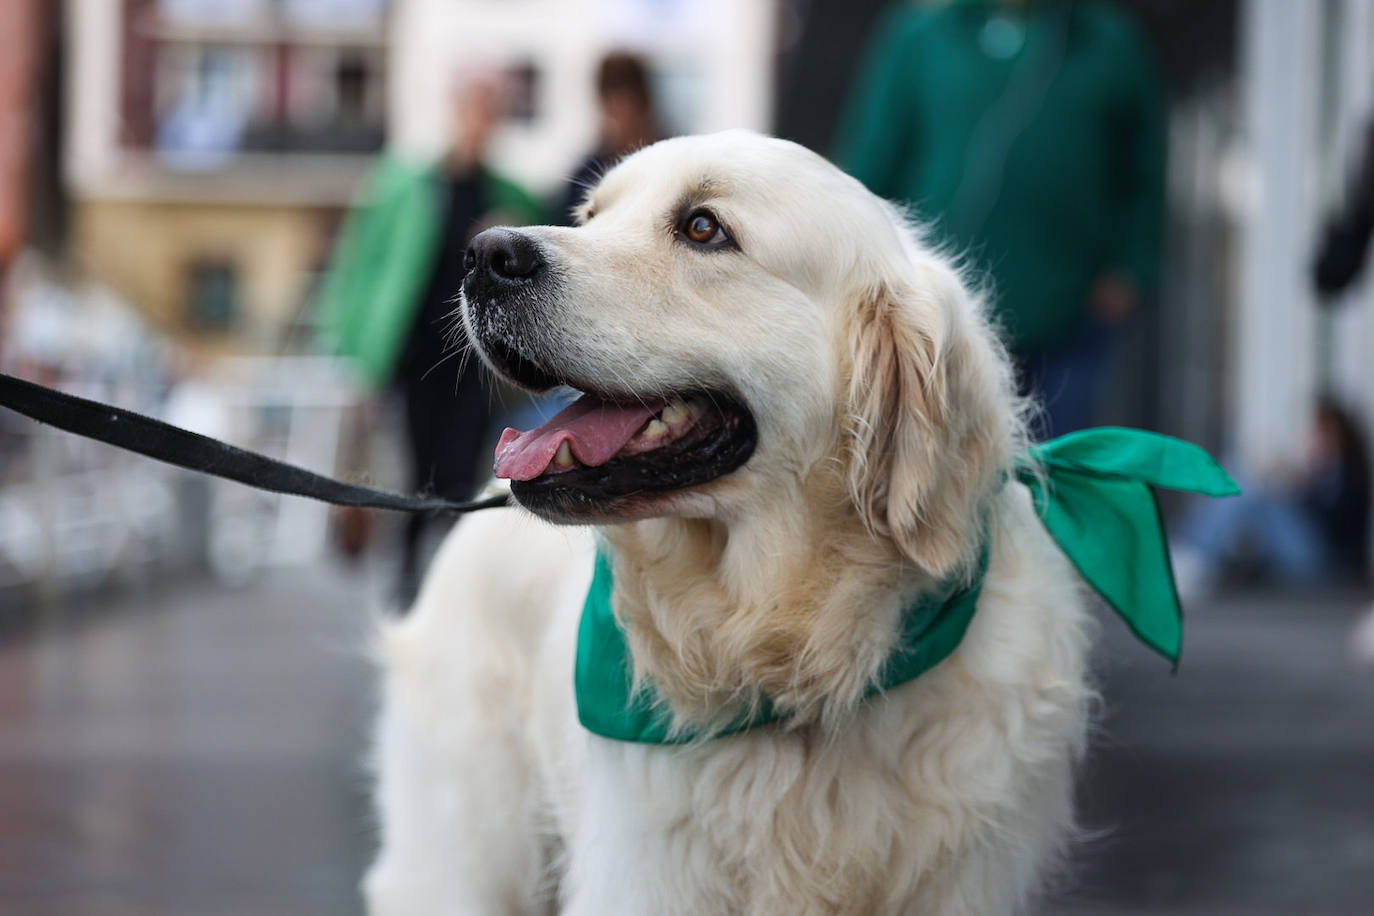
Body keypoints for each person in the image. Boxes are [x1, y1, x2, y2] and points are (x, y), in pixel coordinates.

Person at [836, 0, 1165, 438]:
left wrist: (1130, 270)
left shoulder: (1108, 42)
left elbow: (1146, 169)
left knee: (1049, 481)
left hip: (1068, 320)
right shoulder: (920, 37)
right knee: (938, 475)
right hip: (939, 321)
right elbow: (871, 164)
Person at [318, 73, 543, 602]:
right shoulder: (405, 184)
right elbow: (362, 265)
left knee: (464, 468)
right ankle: (411, 575)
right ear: (455, 107)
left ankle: (450, 579)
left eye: (490, 107)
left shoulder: (508, 193)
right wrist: (351, 350)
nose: (480, 118)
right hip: (415, 355)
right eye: (474, 104)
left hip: (478, 360)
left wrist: (515, 228)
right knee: (419, 466)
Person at [1172, 397, 1371, 596]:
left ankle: (1194, 554)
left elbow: (1334, 521)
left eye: (1320, 431)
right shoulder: (1325, 471)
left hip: (1322, 557)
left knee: (1247, 489)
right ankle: (1193, 551)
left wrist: (1300, 485)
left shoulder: (1350, 473)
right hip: (1309, 547)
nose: (1314, 438)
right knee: (1242, 483)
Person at [556, 52, 661, 225]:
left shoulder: (666, 162)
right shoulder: (587, 173)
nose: (619, 109)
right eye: (610, 99)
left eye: (626, 99)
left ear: (642, 101)